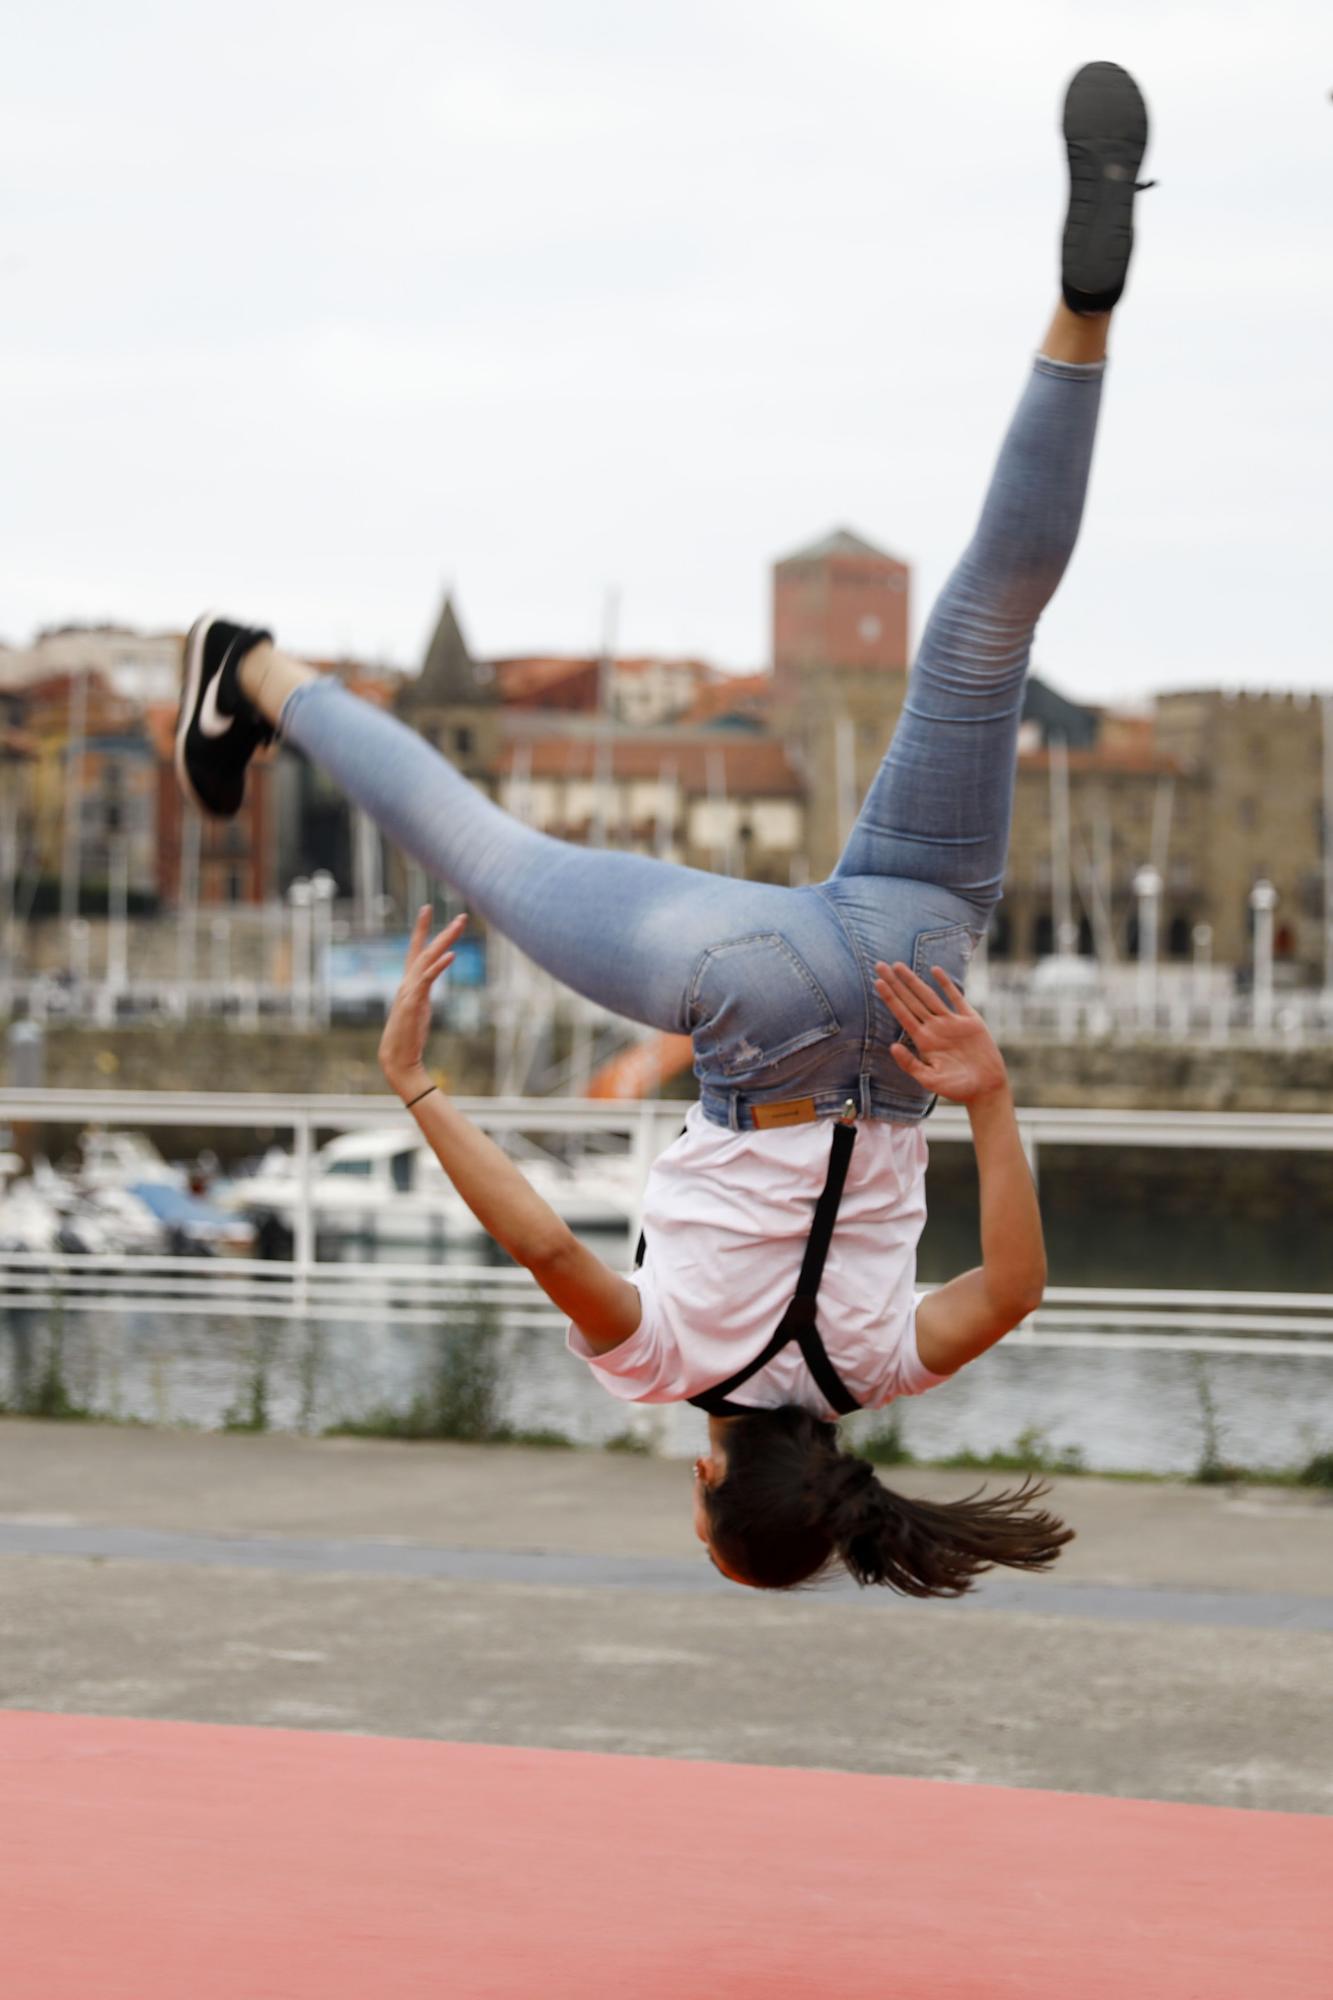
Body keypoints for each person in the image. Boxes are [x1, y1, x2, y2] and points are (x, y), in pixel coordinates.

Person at [176, 61, 1152, 1594]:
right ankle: (251, 668)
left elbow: (1017, 1288)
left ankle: (1082, 315)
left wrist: (986, 1097)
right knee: (482, 847)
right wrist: (419, 1087)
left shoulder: (881, 1374)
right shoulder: (669, 1371)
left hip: (913, 993)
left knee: (985, 626)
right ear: (710, 1491)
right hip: (751, 1002)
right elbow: (550, 1252)